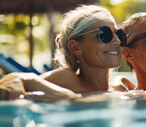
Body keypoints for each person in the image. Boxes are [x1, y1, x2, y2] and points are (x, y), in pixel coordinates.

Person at [0, 5, 128, 99]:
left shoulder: (120, 88)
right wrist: (18, 77)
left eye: (119, 34)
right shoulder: (67, 79)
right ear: (75, 47)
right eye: (104, 34)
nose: (116, 41)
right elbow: (24, 81)